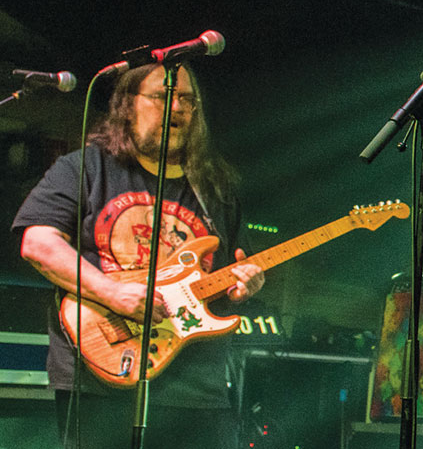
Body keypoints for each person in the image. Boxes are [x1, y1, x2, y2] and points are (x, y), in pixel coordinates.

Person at [12, 62, 264, 449]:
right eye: (163, 96)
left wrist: (245, 285)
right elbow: (39, 244)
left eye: (186, 100)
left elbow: (234, 270)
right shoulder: (86, 167)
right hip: (101, 370)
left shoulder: (214, 187)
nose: (176, 107)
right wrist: (112, 294)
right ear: (127, 105)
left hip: (195, 387)